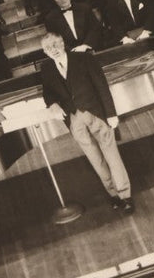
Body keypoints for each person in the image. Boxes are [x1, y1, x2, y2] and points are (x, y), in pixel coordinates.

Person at [37, 31, 133, 212]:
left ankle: (125, 195)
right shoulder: (46, 68)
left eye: (56, 45)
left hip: (95, 113)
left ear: (62, 42)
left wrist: (111, 114)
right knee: (95, 159)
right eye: (48, 48)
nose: (54, 50)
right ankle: (113, 194)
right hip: (73, 120)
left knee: (111, 155)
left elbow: (101, 86)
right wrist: (52, 104)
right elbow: (47, 92)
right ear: (45, 52)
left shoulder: (84, 58)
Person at [43, 0, 108, 52]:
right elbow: (55, 39)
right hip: (70, 53)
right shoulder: (50, 18)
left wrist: (86, 45)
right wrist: (72, 50)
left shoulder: (85, 8)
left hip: (91, 47)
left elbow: (94, 28)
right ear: (54, 0)